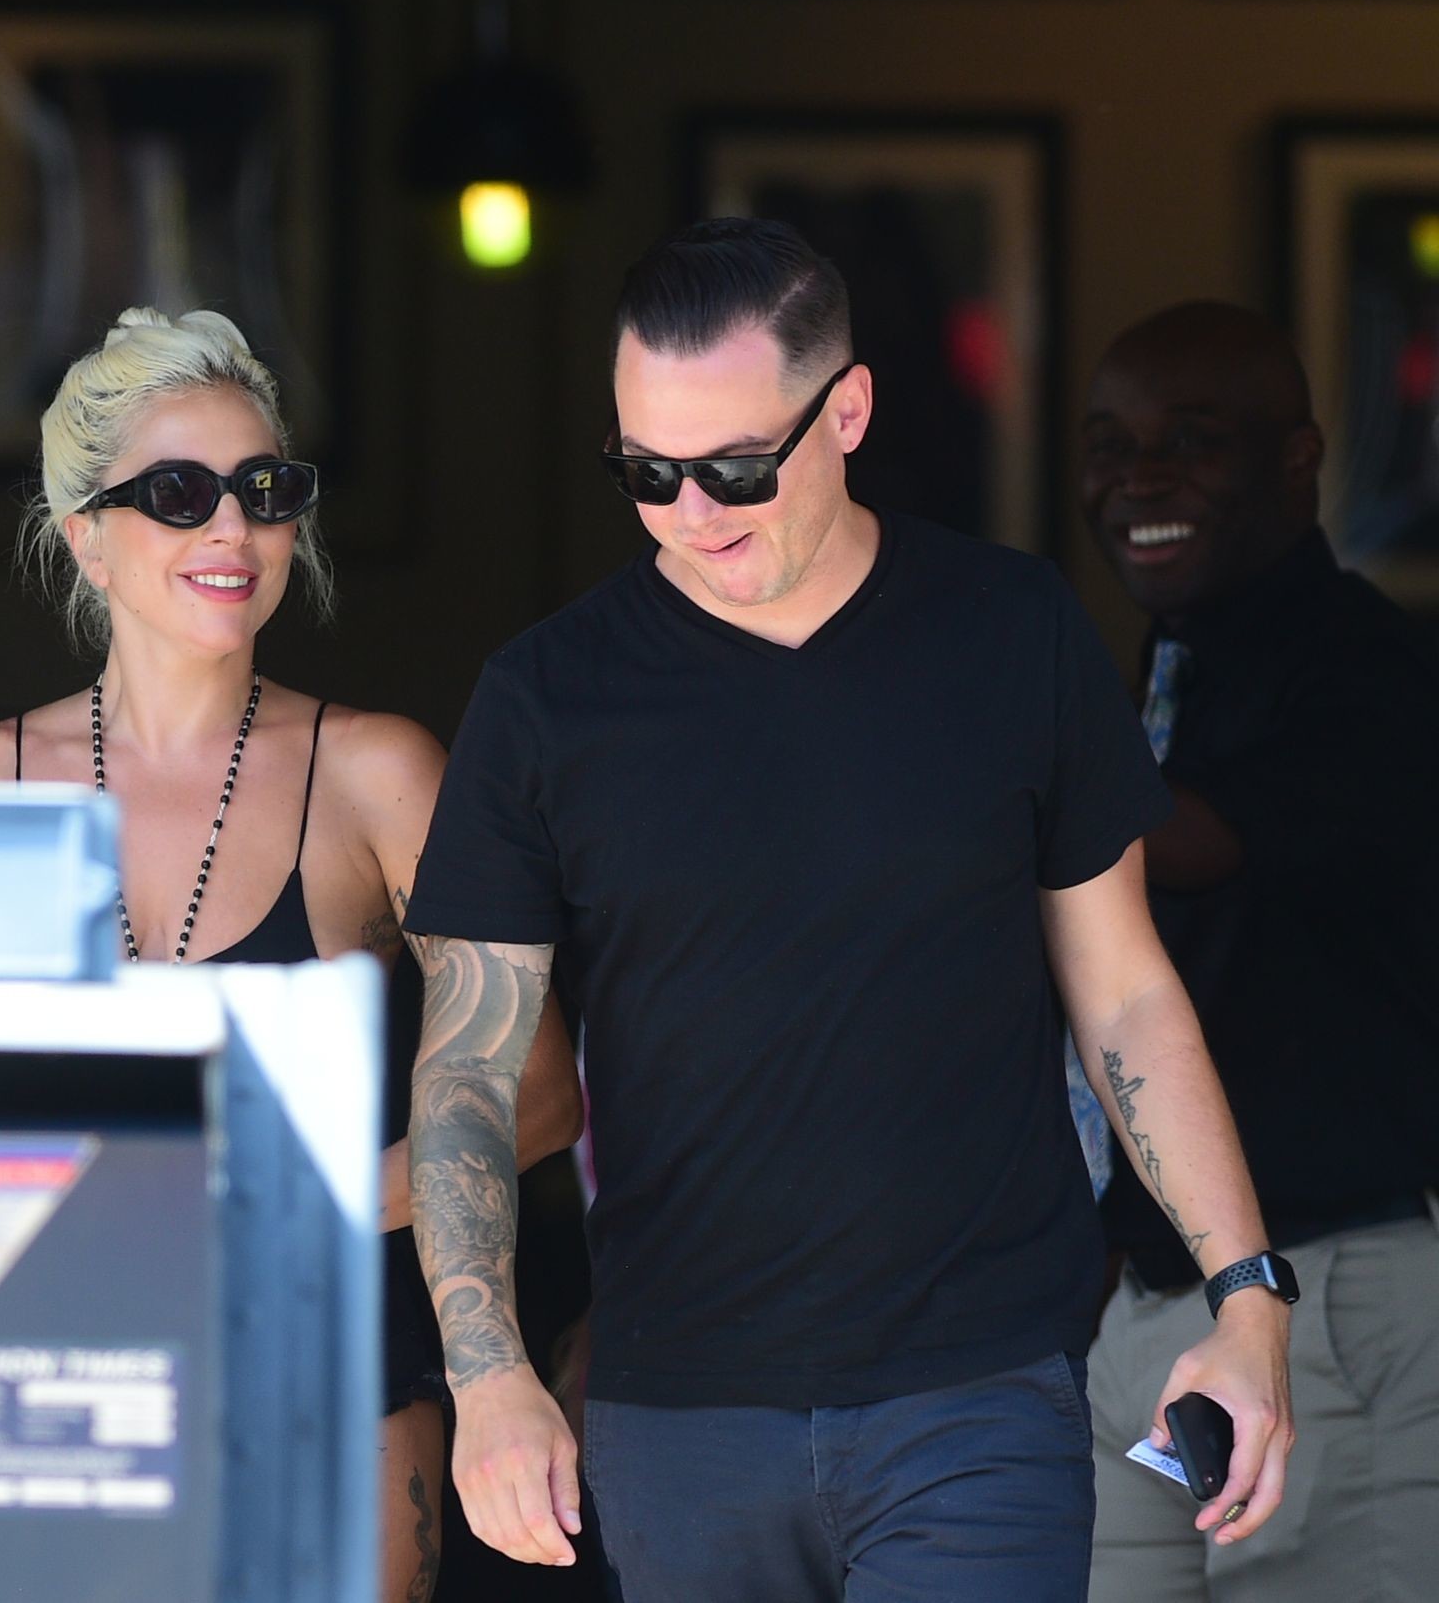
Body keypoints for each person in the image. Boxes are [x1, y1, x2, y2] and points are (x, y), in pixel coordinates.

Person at [400, 219, 1296, 1602]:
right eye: (646, 473)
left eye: (735, 468)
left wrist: (1246, 1292)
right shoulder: (545, 698)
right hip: (678, 1410)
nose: (693, 512)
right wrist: (488, 1374)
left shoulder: (1011, 630)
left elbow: (1124, 991)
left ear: (850, 411)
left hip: (979, 1390)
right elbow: (467, 1065)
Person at [0, 307, 581, 1603]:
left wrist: (293, 1211)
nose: (231, 527)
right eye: (179, 493)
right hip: (54, 1376)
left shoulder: (377, 774)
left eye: (265, 491)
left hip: (330, 1370)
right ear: (85, 535)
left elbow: (544, 1091)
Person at [1080, 300, 1439, 1603]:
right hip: (1152, 1306)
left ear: (1298, 459)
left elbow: (1202, 842)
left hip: (1330, 1291)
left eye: (1192, 440)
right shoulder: (1168, 663)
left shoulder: (1370, 662)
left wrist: (1001, 744)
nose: (1140, 477)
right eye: (1110, 445)